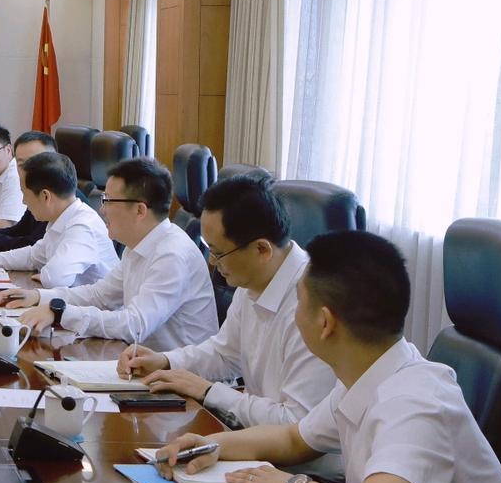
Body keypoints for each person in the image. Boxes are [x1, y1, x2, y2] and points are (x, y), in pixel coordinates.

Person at [155, 231, 501, 483]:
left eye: (299, 303)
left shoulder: (415, 400)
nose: (294, 314)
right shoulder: (371, 372)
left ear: (325, 322)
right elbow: (293, 438)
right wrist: (212, 444)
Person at [116, 173, 336, 427]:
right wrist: (165, 362)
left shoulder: (313, 305)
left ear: (262, 249)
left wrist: (209, 391)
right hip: (254, 435)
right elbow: (225, 355)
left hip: (289, 449)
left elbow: (297, 423)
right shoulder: (253, 280)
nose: (212, 262)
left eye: (218, 253)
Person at [0, 157, 217, 351]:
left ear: (140, 210)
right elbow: (100, 295)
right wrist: (37, 297)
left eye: (107, 200)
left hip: (180, 379)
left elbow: (135, 326)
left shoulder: (172, 255)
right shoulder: (138, 244)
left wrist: (61, 313)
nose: (102, 209)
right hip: (141, 362)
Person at [0, 152, 115, 289]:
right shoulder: (61, 218)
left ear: (45, 196)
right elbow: (33, 255)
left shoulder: (82, 225)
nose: (24, 201)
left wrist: (46, 274)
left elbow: (54, 278)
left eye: (25, 194)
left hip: (97, 318)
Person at [0, 130, 55, 252]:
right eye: (21, 164)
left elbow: (32, 246)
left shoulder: (58, 195)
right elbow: (19, 230)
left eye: (35, 162)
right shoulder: (36, 191)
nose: (28, 170)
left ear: (54, 160)